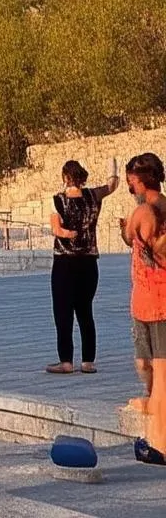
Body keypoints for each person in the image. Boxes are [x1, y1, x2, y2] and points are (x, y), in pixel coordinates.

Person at [45, 159, 119, 374]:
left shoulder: (57, 200)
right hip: (88, 261)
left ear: (65, 177)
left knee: (63, 311)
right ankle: (88, 361)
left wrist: (68, 234)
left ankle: (66, 361)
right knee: (85, 311)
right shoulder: (93, 196)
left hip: (65, 261)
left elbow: (56, 229)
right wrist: (112, 166)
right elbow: (112, 186)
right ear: (82, 176)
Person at [119, 153, 166, 465]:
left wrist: (128, 229)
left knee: (159, 371)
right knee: (146, 365)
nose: (129, 187)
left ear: (140, 181)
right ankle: (155, 409)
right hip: (146, 303)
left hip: (156, 303)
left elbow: (128, 236)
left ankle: (160, 444)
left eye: (131, 181)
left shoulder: (143, 212)